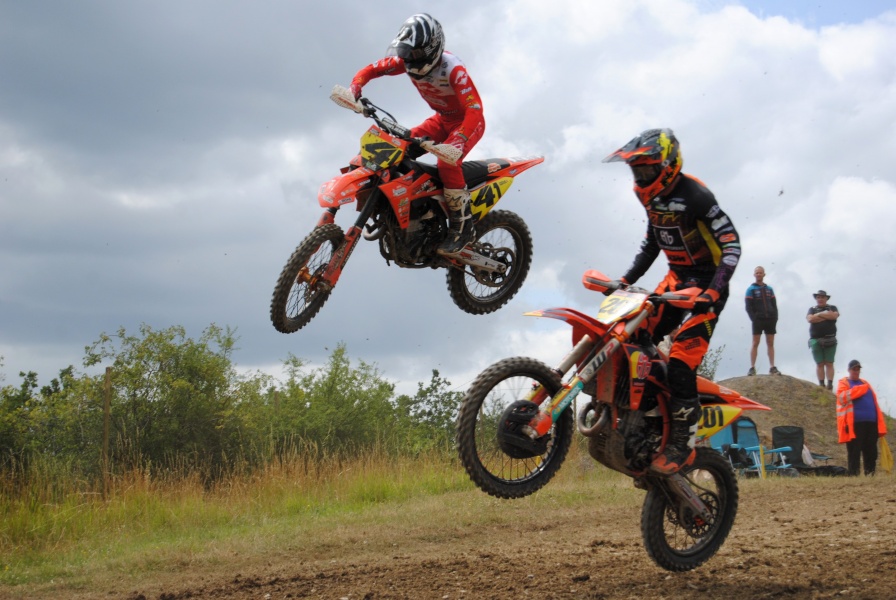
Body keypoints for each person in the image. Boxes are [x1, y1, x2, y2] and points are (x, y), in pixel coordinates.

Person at [603, 128, 741, 475]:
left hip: (708, 288)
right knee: (631, 334)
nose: (641, 177)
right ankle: (645, 415)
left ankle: (682, 442)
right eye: (637, 170)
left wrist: (713, 292)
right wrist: (625, 281)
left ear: (668, 165)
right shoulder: (650, 199)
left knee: (681, 362)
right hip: (675, 281)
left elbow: (732, 245)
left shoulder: (697, 196)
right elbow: (652, 244)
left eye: (648, 169)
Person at [348, 13, 485, 256]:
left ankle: (462, 226)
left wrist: (459, 139)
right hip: (441, 120)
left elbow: (474, 109)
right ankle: (415, 209)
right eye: (407, 53)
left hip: (467, 123)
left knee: (446, 162)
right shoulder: (406, 61)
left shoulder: (454, 70)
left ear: (433, 49)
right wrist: (355, 87)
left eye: (416, 54)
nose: (410, 59)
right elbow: (371, 69)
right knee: (396, 147)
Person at [836, 360, 887, 476]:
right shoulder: (844, 383)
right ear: (849, 370)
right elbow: (842, 397)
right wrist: (861, 389)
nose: (856, 371)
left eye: (858, 369)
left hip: (871, 423)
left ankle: (870, 474)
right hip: (855, 423)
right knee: (854, 451)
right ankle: (854, 475)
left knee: (871, 451)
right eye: (854, 369)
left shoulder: (865, 383)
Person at [745, 266, 779, 375]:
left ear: (764, 274)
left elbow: (774, 305)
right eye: (757, 273)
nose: (759, 274)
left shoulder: (769, 289)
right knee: (755, 342)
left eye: (760, 273)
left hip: (770, 318)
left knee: (770, 343)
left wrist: (775, 317)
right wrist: (754, 319)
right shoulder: (751, 289)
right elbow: (748, 307)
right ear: (754, 274)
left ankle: (772, 367)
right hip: (758, 319)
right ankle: (752, 367)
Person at [807, 290, 839, 390]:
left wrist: (818, 315)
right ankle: (821, 384)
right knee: (819, 363)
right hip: (815, 339)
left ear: (826, 298)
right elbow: (810, 319)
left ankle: (830, 384)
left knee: (829, 363)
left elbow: (834, 316)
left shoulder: (832, 307)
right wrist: (825, 315)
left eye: (822, 297)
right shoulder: (812, 309)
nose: (820, 299)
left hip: (830, 338)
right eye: (818, 297)